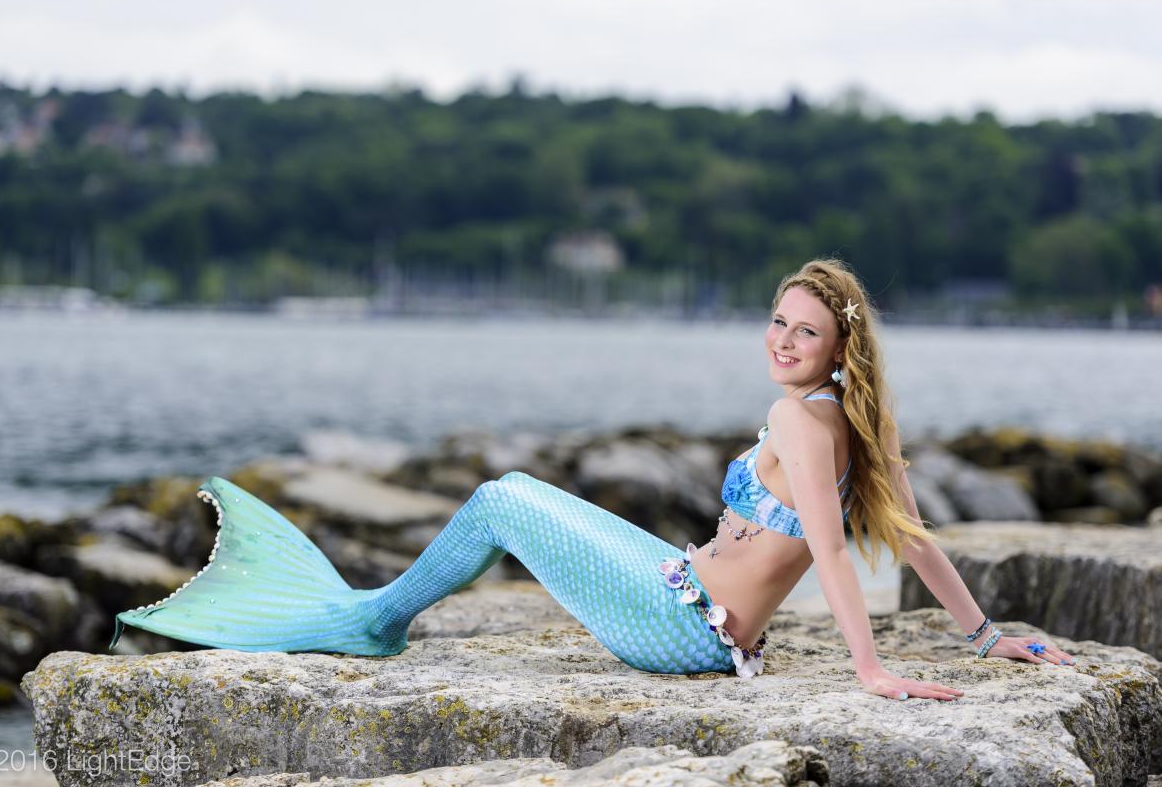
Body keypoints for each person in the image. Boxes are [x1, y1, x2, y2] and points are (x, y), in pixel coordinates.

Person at [109, 257, 1075, 700]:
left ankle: (373, 622)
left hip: (685, 629)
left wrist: (869, 672)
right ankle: (374, 613)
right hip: (688, 596)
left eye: (804, 330)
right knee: (521, 492)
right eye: (777, 321)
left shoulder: (798, 418)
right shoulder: (863, 427)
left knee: (498, 497)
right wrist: (986, 637)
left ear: (837, 347)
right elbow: (915, 538)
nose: (781, 341)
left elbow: (831, 545)